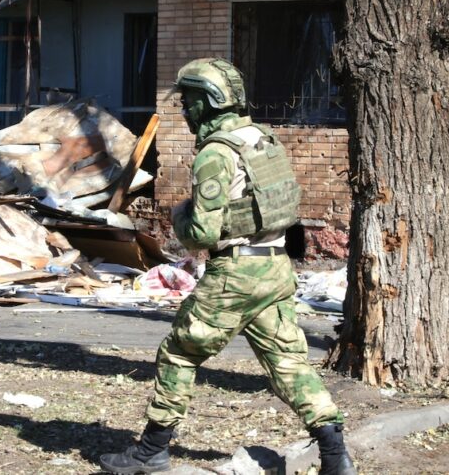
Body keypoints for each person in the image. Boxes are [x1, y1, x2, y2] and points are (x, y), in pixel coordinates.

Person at [99, 58, 356, 475]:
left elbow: (201, 234)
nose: (184, 109)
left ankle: (151, 450)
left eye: (189, 100)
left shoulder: (216, 153)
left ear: (210, 101)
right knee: (289, 362)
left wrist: (181, 213)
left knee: (179, 353)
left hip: (236, 274)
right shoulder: (262, 138)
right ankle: (335, 455)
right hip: (275, 269)